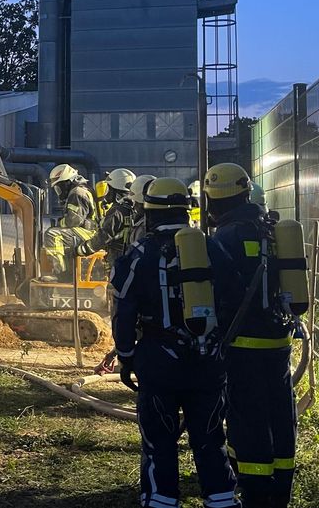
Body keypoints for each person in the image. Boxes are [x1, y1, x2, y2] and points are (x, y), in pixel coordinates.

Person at [111, 178, 239, 508]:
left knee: (159, 441)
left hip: (158, 363)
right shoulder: (211, 248)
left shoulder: (140, 254)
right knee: (211, 438)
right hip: (208, 362)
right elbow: (233, 296)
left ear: (149, 213)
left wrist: (126, 356)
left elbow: (123, 309)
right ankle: (222, 499)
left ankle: (161, 499)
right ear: (186, 210)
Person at [204, 162, 297, 508]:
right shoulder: (272, 230)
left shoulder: (223, 238)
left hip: (241, 344)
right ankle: (281, 490)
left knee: (247, 419)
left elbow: (217, 293)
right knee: (280, 414)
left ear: (214, 200)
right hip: (279, 342)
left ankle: (256, 493)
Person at [41, 163, 97, 281]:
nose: (59, 191)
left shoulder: (77, 192)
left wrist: (59, 223)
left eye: (59, 187)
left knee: (52, 235)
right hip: (87, 230)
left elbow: (73, 221)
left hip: (87, 232)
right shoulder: (81, 189)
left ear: (66, 182)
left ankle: (61, 274)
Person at [78, 168, 136, 261]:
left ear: (115, 190)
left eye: (108, 189)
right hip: (129, 257)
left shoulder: (117, 211)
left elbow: (103, 236)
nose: (107, 193)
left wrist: (82, 249)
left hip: (116, 258)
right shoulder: (133, 208)